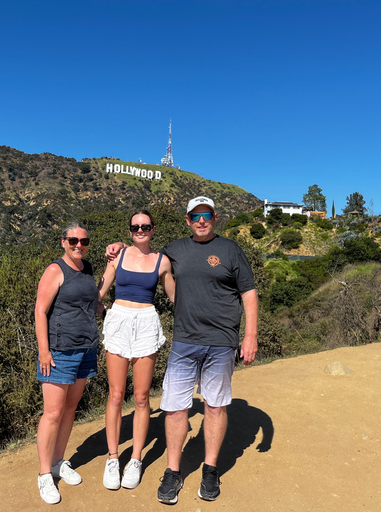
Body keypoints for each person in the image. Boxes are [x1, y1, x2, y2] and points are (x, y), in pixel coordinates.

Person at [106, 196, 258, 504]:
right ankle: (173, 472)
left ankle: (211, 469)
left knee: (214, 406)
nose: (201, 220)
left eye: (206, 215)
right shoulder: (173, 250)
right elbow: (142, 253)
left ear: (215, 217)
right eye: (195, 216)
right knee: (175, 408)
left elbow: (249, 292)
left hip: (222, 341)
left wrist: (250, 335)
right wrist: (116, 247)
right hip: (184, 341)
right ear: (187, 220)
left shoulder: (230, 250)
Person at [97, 210, 175, 491]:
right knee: (116, 395)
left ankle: (136, 459)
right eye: (135, 226)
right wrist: (100, 311)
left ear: (153, 229)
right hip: (118, 320)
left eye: (145, 226)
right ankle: (113, 457)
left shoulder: (162, 261)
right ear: (129, 229)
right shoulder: (117, 256)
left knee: (141, 397)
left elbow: (175, 296)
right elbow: (100, 291)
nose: (140, 230)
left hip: (146, 324)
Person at [35, 222, 103, 505]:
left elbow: (93, 302)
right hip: (59, 351)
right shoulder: (55, 270)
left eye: (84, 241)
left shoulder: (86, 268)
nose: (79, 245)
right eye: (73, 240)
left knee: (70, 409)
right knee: (52, 414)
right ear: (63, 241)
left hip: (85, 348)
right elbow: (40, 310)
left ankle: (58, 461)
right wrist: (44, 351)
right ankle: (44, 475)